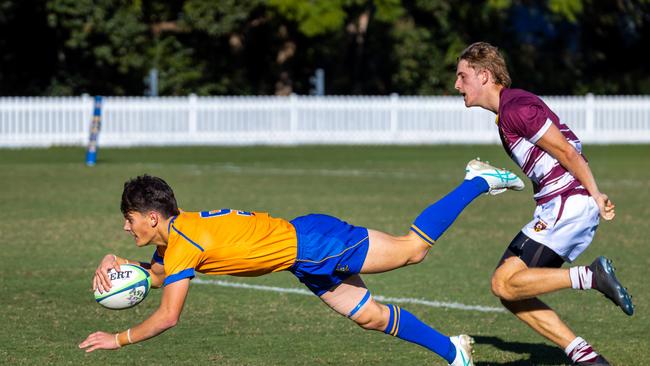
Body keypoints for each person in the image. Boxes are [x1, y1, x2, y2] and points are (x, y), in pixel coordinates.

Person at [79, 161, 525, 366]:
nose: (126, 228)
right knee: (369, 317)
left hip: (315, 243)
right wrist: (114, 261)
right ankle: (455, 354)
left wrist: (118, 339)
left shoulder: (181, 244)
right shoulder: (176, 239)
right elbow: (155, 278)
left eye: (128, 220)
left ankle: (477, 181)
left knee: (414, 249)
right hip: (303, 259)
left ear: (151, 217)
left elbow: (168, 316)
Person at [454, 42, 634, 366]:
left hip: (568, 203)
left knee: (503, 283)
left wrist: (595, 193)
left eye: (462, 76)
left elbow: (567, 151)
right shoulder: (507, 111)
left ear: (483, 75)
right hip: (560, 204)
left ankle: (591, 277)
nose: (457, 85)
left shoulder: (516, 108)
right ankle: (585, 356)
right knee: (508, 288)